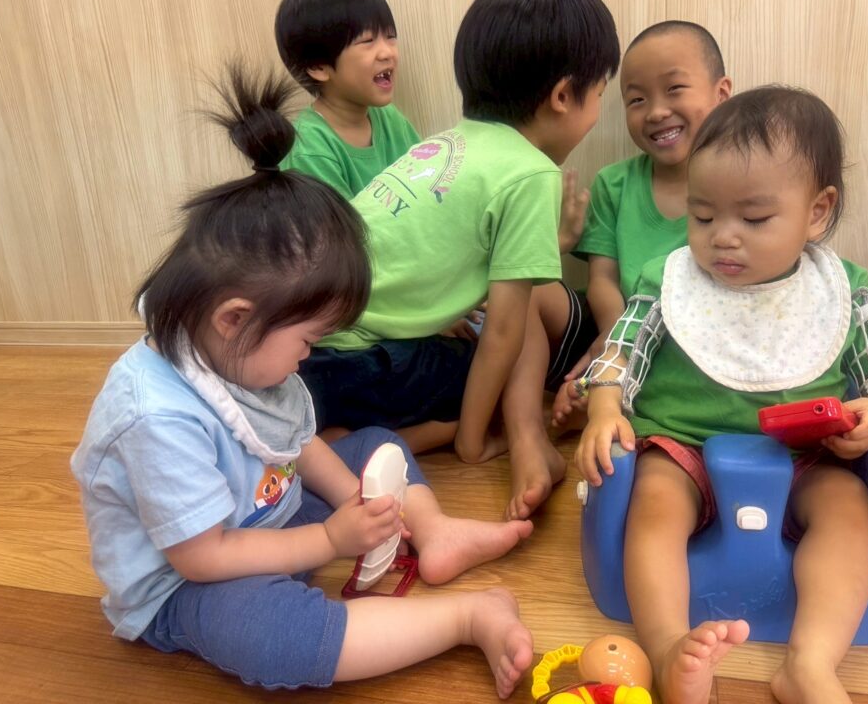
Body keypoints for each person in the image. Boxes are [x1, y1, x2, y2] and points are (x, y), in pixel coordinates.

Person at [70, 63, 534, 698]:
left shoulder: (235, 350)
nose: (307, 357)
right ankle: (466, 617)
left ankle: (430, 531)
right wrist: (328, 538)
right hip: (191, 581)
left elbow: (295, 440)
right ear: (235, 319)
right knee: (276, 638)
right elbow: (202, 556)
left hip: (270, 514)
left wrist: (352, 501)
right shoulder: (155, 416)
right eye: (308, 341)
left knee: (377, 443)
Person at [575, 86, 868, 704]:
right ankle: (667, 651)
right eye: (703, 216)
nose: (723, 237)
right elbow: (622, 349)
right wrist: (604, 405)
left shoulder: (843, 289)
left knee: (851, 511)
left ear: (817, 211)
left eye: (754, 218)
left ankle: (811, 663)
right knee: (654, 507)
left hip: (808, 457)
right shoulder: (669, 279)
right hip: (683, 447)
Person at [301, 0, 620, 521]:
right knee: (501, 353)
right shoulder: (530, 173)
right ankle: (435, 435)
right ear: (563, 96)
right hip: (359, 362)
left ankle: (337, 433)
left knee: (509, 320)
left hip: (308, 354)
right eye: (599, 95)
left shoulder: (444, 143)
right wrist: (472, 439)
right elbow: (504, 330)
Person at [552, 21, 732, 430]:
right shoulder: (614, 184)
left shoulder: (742, 181)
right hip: (625, 327)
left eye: (674, 88)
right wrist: (615, 340)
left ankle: (622, 399)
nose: (656, 112)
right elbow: (602, 277)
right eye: (636, 99)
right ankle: (600, 396)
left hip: (707, 336)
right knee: (534, 290)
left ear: (721, 94)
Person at [275, 0, 420, 199]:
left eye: (390, 36)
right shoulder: (310, 149)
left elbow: (427, 180)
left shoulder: (388, 117)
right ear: (318, 66)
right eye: (368, 40)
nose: (387, 52)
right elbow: (340, 224)